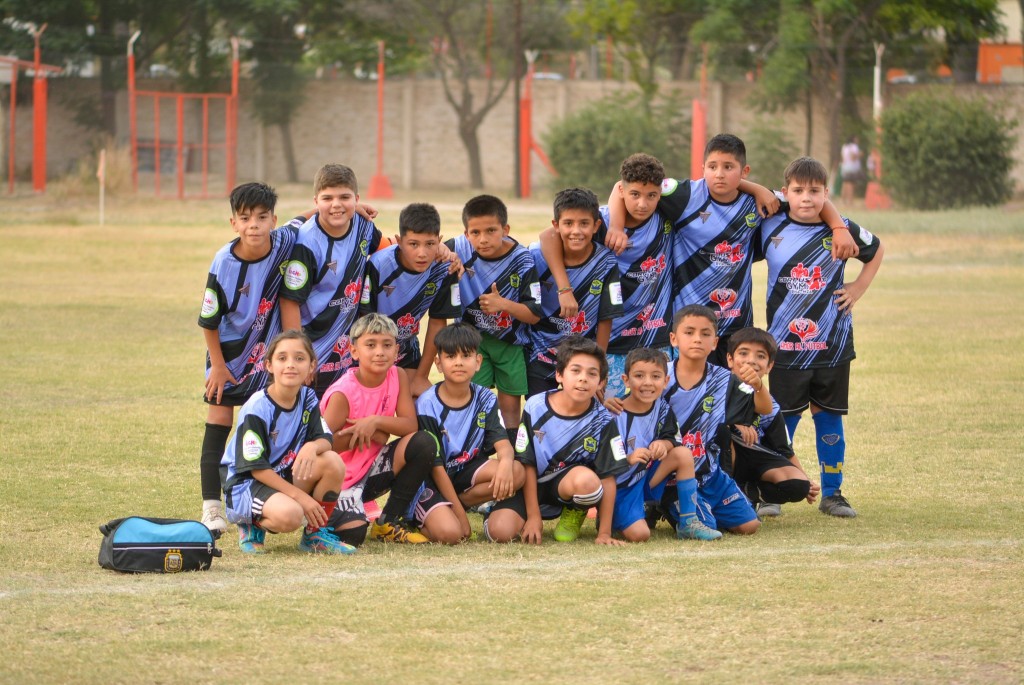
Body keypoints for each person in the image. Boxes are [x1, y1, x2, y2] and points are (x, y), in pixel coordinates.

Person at [605, 135, 856, 368]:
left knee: (732, 397)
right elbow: (623, 185)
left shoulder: (759, 202)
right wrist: (616, 226)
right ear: (702, 169)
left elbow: (807, 198)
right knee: (687, 392)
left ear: (744, 171)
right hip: (690, 323)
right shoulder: (685, 194)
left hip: (736, 323)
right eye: (712, 167)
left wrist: (838, 226)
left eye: (728, 167)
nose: (720, 174)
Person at [758, 156, 884, 518]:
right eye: (798, 191)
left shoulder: (842, 229)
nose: (807, 198)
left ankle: (833, 494)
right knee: (782, 421)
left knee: (829, 419)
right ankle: (773, 493)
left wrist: (858, 288)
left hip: (833, 344)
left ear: (827, 193)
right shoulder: (770, 224)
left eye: (815, 191)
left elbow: (876, 251)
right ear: (786, 193)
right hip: (785, 347)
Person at [197, 182, 309, 532]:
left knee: (262, 424)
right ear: (234, 223)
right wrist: (217, 366)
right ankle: (212, 507)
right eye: (245, 218)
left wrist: (360, 205)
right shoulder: (223, 262)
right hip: (228, 357)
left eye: (262, 218)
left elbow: (308, 216)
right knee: (219, 424)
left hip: (266, 353)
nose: (254, 225)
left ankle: (253, 497)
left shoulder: (285, 241)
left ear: (273, 220)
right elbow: (209, 320)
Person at [538, 154, 675, 399]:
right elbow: (549, 236)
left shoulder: (668, 216)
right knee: (607, 412)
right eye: (635, 195)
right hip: (610, 339)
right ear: (623, 191)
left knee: (655, 412)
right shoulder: (601, 221)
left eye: (650, 196)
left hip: (655, 337)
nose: (642, 204)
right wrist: (564, 289)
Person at [220, 329, 354, 555]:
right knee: (291, 515)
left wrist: (312, 446)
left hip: (279, 473)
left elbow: (325, 438)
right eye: (282, 358)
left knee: (332, 462)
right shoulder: (257, 408)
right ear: (269, 365)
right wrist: (302, 497)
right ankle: (251, 523)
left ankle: (314, 536)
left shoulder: (307, 397)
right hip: (245, 484)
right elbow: (256, 469)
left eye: (299, 358)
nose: (291, 364)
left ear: (311, 366)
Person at [319, 313, 448, 544]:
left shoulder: (397, 375)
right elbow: (321, 445)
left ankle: (388, 521)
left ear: (396, 351)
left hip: (371, 471)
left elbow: (410, 425)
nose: (380, 352)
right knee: (352, 536)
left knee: (424, 442)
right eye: (370, 345)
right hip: (340, 479)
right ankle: (331, 514)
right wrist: (371, 435)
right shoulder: (343, 394)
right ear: (354, 350)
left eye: (387, 345)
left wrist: (375, 422)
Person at [488, 336, 629, 545]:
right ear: (559, 375)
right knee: (500, 532)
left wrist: (604, 533)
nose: (583, 379)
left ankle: (575, 511)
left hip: (566, 486)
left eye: (592, 374)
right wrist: (534, 517)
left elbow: (608, 478)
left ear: (601, 383)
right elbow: (526, 462)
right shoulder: (535, 407)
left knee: (588, 481)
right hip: (529, 483)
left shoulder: (604, 420)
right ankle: (506, 512)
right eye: (575, 371)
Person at [649, 305, 772, 536]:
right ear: (674, 339)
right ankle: (660, 502)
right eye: (689, 332)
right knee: (707, 527)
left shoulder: (724, 380)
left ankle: (697, 504)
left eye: (705, 334)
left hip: (709, 472)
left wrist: (758, 385)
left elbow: (763, 408)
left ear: (715, 342)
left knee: (749, 525)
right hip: (669, 474)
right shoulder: (658, 375)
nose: (697, 339)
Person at [415, 323, 527, 542]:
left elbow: (502, 442)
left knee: (517, 471)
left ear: (478, 362)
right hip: (435, 478)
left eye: (466, 355)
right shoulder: (427, 403)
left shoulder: (486, 397)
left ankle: (463, 502)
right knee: (452, 534)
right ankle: (430, 515)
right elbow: (436, 467)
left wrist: (505, 464)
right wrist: (460, 518)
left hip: (467, 471)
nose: (458, 362)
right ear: (438, 363)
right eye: (450, 356)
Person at [280, 164, 384, 397]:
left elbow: (390, 253)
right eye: (328, 198)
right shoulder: (306, 243)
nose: (336, 204)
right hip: (313, 348)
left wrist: (437, 249)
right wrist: (299, 354)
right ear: (316, 201)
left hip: (346, 349)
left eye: (344, 197)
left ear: (356, 199)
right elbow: (289, 302)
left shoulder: (364, 225)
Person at [447, 194, 541, 431]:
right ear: (466, 233)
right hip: (471, 342)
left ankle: (511, 457)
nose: (483, 239)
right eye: (475, 233)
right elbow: (433, 245)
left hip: (510, 343)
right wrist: (447, 255)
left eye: (491, 231)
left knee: (509, 406)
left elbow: (534, 313)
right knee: (471, 401)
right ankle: (473, 453)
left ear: (505, 229)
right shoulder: (459, 248)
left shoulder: (522, 260)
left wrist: (504, 305)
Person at [611, 348, 722, 542]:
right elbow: (603, 459)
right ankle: (614, 515)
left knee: (682, 453)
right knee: (640, 535)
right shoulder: (614, 412)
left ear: (665, 381)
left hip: (645, 480)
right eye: (639, 375)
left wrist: (664, 443)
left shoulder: (663, 408)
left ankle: (688, 522)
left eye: (655, 376)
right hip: (621, 486)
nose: (647, 382)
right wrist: (629, 458)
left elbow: (673, 438)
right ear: (626, 380)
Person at [359, 202, 461, 398]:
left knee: (425, 411)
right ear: (399, 241)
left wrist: (421, 376)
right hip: (371, 351)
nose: (422, 253)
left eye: (430, 244)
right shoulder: (378, 265)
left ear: (439, 241)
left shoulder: (445, 268)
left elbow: (438, 322)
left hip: (406, 351)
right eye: (413, 244)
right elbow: (365, 321)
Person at [527, 188, 623, 396]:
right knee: (541, 415)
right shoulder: (535, 256)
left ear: (596, 225)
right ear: (556, 225)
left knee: (582, 417)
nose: (576, 231)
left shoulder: (606, 262)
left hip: (583, 361)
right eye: (568, 223)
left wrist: (600, 364)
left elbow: (606, 318)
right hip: (540, 355)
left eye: (584, 223)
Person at [722, 327, 819, 517]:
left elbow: (784, 449)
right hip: (719, 460)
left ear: (769, 366)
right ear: (730, 360)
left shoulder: (770, 406)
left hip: (752, 461)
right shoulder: (717, 386)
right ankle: (722, 497)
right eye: (743, 353)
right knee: (724, 435)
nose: (751, 360)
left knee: (797, 485)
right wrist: (733, 424)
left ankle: (744, 493)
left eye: (760, 356)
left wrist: (807, 482)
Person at [840, 135, 864, 205]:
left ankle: (843, 200)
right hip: (851, 168)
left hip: (844, 167)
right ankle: (850, 201)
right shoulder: (854, 147)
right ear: (854, 140)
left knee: (845, 183)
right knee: (851, 184)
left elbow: (842, 157)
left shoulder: (844, 146)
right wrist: (860, 154)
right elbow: (853, 157)